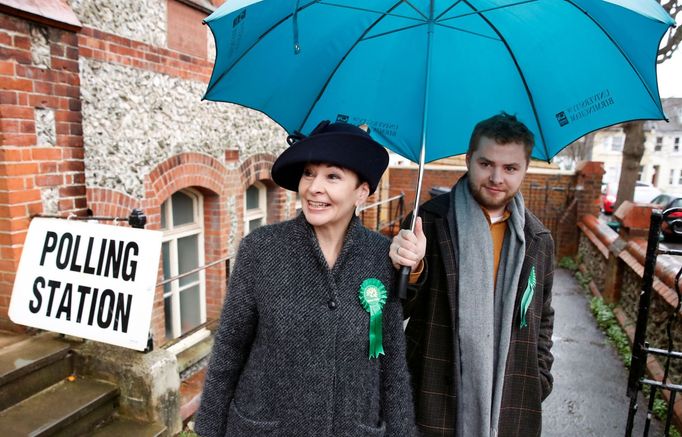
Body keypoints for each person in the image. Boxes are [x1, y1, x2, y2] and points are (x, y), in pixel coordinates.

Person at [194, 120, 416, 437]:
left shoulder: (382, 257)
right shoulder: (261, 250)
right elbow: (229, 349)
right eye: (309, 173)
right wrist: (209, 429)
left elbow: (391, 366)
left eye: (333, 176)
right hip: (266, 427)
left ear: (362, 192)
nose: (314, 187)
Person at [390, 112, 555, 437]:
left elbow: (543, 317)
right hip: (431, 395)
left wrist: (539, 377)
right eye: (486, 163)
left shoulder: (538, 239)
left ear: (525, 169)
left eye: (510, 168)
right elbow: (394, 311)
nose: (496, 177)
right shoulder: (428, 223)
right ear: (468, 159)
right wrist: (411, 267)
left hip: (510, 400)